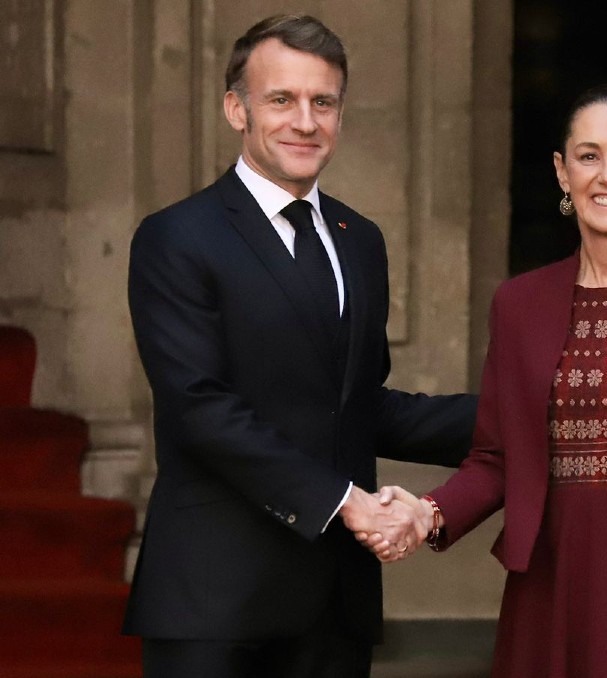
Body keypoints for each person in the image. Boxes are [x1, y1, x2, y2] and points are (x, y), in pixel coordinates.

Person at [123, 15, 476, 678]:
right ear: (237, 109)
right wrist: (348, 501)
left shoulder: (360, 240)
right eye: (281, 100)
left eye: (324, 102)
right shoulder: (177, 237)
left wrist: (528, 411)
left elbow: (360, 405)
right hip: (215, 602)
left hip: (332, 607)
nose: (305, 122)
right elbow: (200, 409)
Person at [372, 84, 607, 678]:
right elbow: (496, 456)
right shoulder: (519, 304)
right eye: (588, 155)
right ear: (561, 171)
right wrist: (429, 513)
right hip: (550, 585)